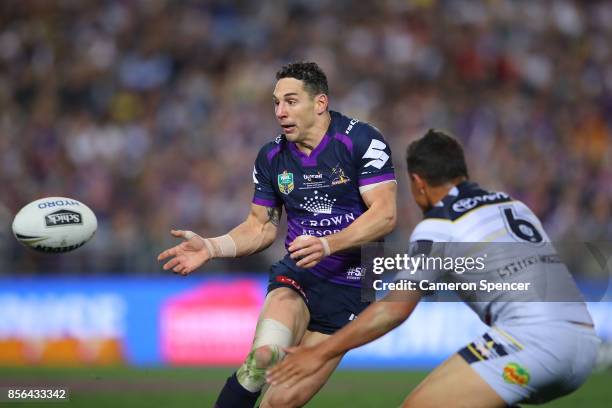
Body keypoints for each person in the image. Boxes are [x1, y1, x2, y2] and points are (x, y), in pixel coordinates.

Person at [267, 130, 601, 407]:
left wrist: (320, 352)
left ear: (418, 183)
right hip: (584, 343)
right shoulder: (514, 206)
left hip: (531, 343)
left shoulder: (440, 224)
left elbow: (394, 309)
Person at [157, 61, 397, 408]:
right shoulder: (271, 156)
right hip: (299, 275)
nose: (280, 111)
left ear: (320, 103)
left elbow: (385, 215)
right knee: (262, 360)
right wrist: (212, 246)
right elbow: (260, 226)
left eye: (290, 101)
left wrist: (329, 244)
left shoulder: (361, 140)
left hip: (354, 285)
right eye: (275, 102)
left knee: (280, 403)